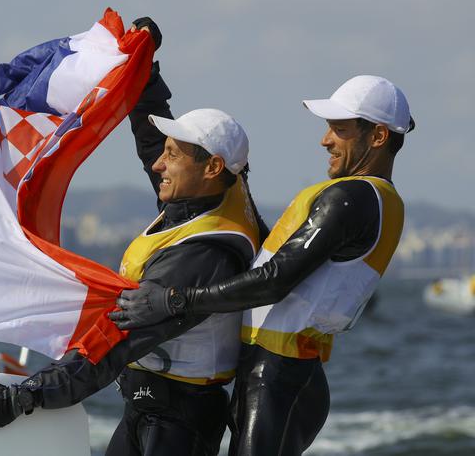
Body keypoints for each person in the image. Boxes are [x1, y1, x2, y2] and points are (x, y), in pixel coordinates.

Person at [0, 19, 268, 456]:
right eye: (163, 154)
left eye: (173, 156)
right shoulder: (204, 200)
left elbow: (118, 338)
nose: (158, 166)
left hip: (177, 422)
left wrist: (28, 395)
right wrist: (145, 71)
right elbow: (152, 144)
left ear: (213, 168)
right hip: (148, 408)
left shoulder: (206, 249)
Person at [110, 75, 414, 456]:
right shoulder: (370, 199)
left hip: (279, 379)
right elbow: (265, 253)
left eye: (339, 129)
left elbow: (273, 281)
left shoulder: (354, 198)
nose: (325, 140)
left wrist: (175, 300)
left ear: (379, 136)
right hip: (277, 376)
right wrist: (147, 84)